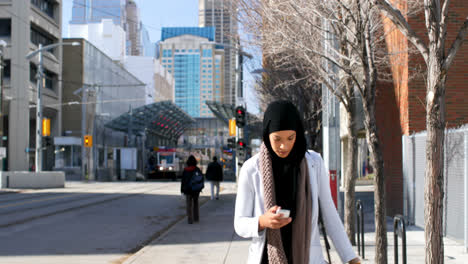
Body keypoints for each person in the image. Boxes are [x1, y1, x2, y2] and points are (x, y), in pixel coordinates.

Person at [234, 100, 360, 264]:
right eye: (277, 138)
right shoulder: (251, 169)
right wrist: (262, 221)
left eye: (290, 138)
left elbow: (330, 213)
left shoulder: (314, 163)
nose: (283, 145)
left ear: (297, 134)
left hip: (307, 258)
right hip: (266, 258)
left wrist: (350, 257)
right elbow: (240, 224)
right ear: (267, 135)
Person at [181, 155, 204, 224]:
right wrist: (200, 188)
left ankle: (190, 219)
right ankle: (196, 218)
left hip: (188, 190)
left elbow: (183, 181)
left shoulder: (185, 170)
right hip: (195, 190)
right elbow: (201, 179)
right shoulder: (197, 169)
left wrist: (182, 190)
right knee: (196, 203)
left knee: (188, 205)